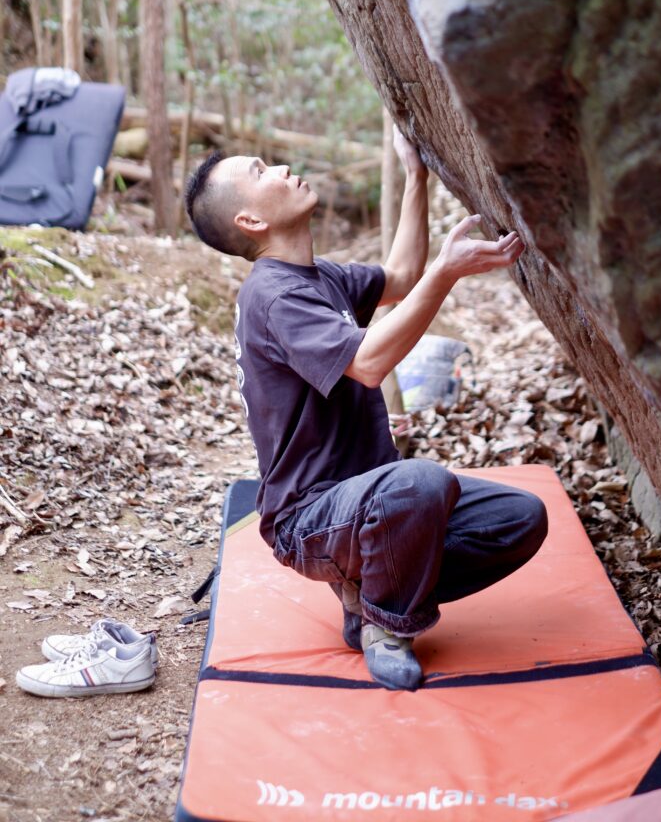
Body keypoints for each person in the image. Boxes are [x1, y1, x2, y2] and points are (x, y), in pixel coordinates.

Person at [184, 130, 548, 691]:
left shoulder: (317, 277)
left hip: (364, 502)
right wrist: (446, 274)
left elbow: (400, 277)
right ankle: (381, 623)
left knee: (519, 518)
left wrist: (416, 177)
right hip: (310, 518)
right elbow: (370, 362)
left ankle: (367, 584)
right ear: (250, 221)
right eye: (260, 172)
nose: (280, 169)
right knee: (419, 483)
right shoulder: (275, 296)